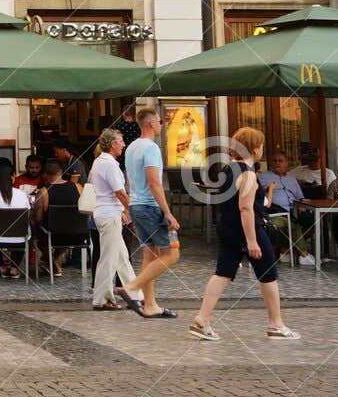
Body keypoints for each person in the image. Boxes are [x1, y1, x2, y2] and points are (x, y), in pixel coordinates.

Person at [188, 128, 298, 342]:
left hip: (227, 228)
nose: (262, 149)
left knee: (223, 273)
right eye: (261, 145)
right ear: (255, 148)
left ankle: (202, 319)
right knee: (269, 274)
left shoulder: (229, 169)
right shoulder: (248, 173)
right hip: (248, 229)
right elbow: (245, 208)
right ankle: (276, 324)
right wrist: (252, 241)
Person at [117, 108, 179, 318]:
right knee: (172, 253)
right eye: (160, 121)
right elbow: (154, 182)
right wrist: (167, 212)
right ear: (151, 124)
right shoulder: (151, 148)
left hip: (136, 204)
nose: (162, 124)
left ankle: (150, 304)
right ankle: (132, 287)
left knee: (149, 254)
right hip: (150, 206)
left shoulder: (132, 147)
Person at [89, 128, 141, 311]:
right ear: (113, 144)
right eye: (121, 141)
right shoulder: (109, 164)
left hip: (106, 213)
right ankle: (102, 299)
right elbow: (119, 191)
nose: (124, 145)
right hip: (109, 215)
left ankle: (135, 294)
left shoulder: (99, 162)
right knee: (109, 258)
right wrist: (131, 209)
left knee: (121, 257)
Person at [258, 151, 310, 264]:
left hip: (294, 210)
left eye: (280, 161)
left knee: (311, 219)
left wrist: (303, 206)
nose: (277, 163)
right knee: (282, 224)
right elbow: (258, 196)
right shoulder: (263, 177)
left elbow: (300, 197)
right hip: (274, 211)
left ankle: (286, 249)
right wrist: (268, 189)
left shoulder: (292, 179)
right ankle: (300, 253)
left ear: (287, 163)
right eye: (274, 161)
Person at [0, 157, 30, 278]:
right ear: (13, 177)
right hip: (18, 239)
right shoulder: (22, 194)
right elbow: (27, 216)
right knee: (26, 230)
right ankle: (14, 268)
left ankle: (1, 267)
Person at [33, 158, 78, 277]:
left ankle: (50, 262)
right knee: (64, 231)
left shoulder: (43, 192)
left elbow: (38, 219)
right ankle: (51, 261)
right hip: (76, 234)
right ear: (61, 172)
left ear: (45, 175)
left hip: (52, 235)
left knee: (35, 228)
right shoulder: (78, 187)